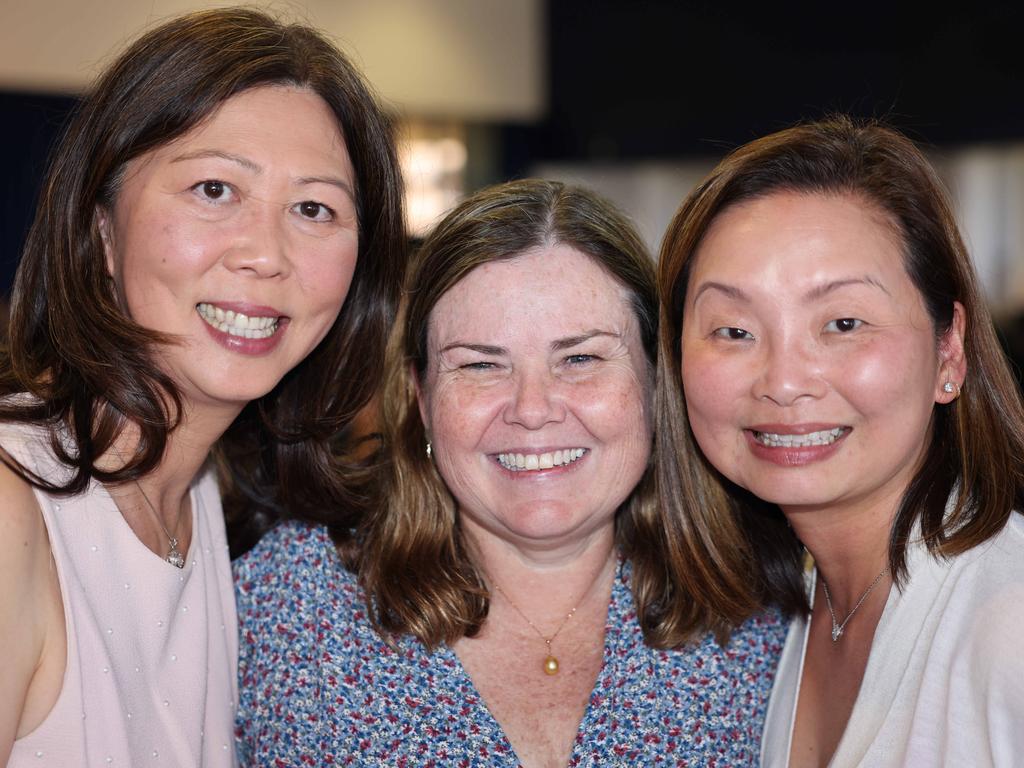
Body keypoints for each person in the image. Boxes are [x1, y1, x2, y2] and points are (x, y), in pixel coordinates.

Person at [235, 178, 786, 766]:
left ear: (655, 381)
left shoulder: (760, 625)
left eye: (580, 358)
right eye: (479, 365)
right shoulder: (284, 605)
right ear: (420, 396)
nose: (531, 409)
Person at [0, 8, 404, 766]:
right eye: (215, 189)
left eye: (314, 209)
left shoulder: (213, 504)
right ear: (101, 232)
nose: (265, 254)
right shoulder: (13, 506)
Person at [656, 116, 1024, 767]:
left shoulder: (1009, 624)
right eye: (734, 330)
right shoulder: (784, 618)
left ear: (949, 349)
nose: (785, 382)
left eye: (843, 323)